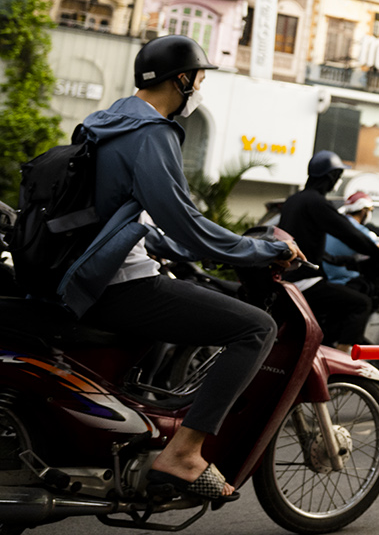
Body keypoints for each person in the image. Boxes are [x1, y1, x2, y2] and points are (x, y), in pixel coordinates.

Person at [61, 35, 301, 502]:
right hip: (117, 284)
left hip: (83, 273)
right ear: (182, 80)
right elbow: (186, 223)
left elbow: (115, 215)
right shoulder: (151, 132)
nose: (201, 88)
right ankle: (184, 453)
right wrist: (261, 251)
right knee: (255, 328)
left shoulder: (104, 120)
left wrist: (163, 242)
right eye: (201, 78)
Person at [278, 152, 379, 351]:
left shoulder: (294, 200)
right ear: (331, 177)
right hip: (305, 280)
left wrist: (339, 260)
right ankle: (341, 362)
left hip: (289, 276)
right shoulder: (317, 202)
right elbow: (349, 234)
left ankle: (326, 344)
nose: (337, 182)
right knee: (361, 303)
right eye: (338, 176)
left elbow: (305, 241)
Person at [322, 193, 379, 290]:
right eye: (370, 210)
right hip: (345, 278)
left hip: (328, 275)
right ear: (364, 211)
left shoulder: (337, 224)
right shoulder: (358, 230)